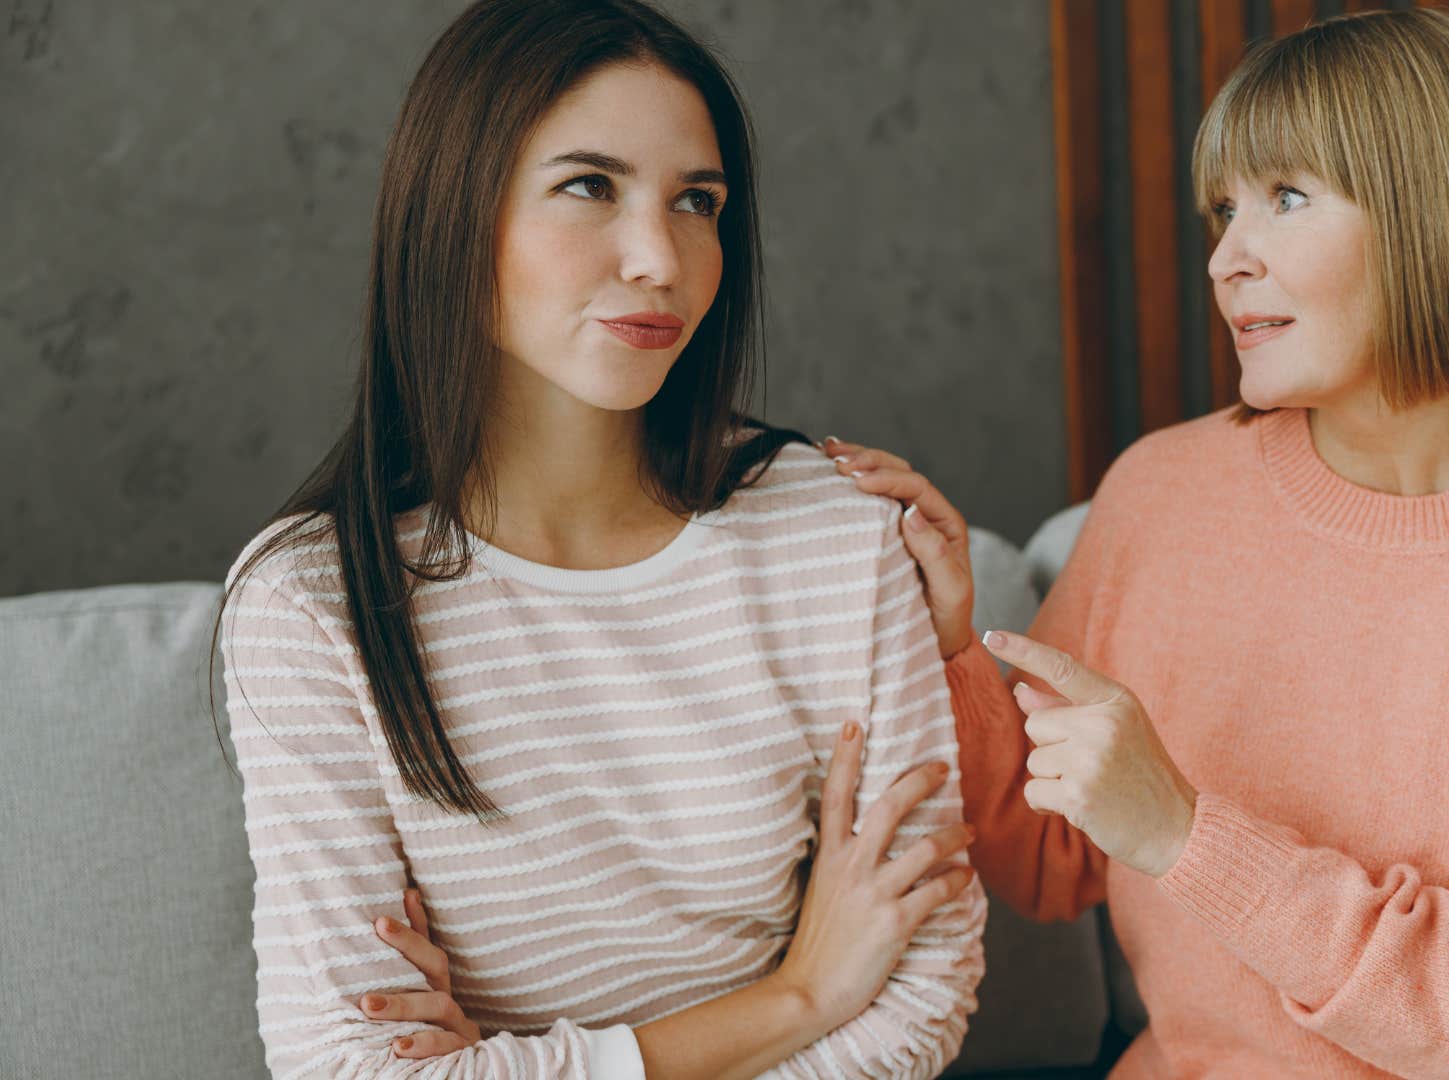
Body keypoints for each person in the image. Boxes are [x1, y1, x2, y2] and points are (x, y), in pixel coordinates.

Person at [828, 9, 1449, 1078]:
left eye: (1285, 198)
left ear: (1436, 211)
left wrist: (1190, 838)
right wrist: (954, 647)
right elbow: (1043, 854)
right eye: (1222, 211)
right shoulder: (1162, 495)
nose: (1228, 259)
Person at [216, 2, 984, 1077]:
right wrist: (798, 996)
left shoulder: (834, 532)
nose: (659, 258)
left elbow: (922, 994)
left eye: (698, 202)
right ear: (453, 210)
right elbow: (352, 1069)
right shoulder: (312, 605)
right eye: (590, 185)